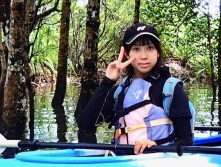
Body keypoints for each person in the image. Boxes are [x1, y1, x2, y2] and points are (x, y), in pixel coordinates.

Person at [77, 22, 194, 153]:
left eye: (150, 48)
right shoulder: (120, 91)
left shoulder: (170, 90)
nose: (144, 56)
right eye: (136, 49)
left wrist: (156, 145)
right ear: (127, 54)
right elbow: (86, 125)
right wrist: (107, 81)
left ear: (158, 53)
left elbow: (185, 140)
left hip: (159, 162)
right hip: (121, 161)